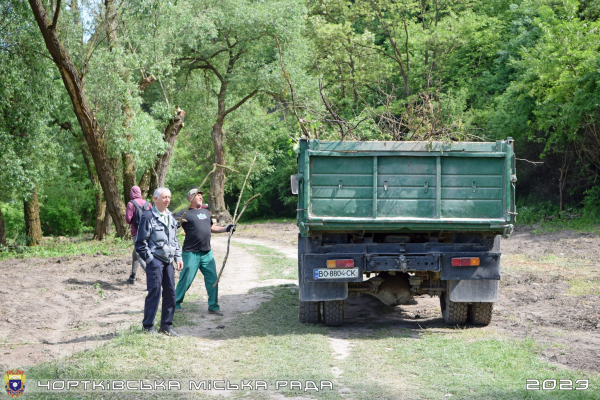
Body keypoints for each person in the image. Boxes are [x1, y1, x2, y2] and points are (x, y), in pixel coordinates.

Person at [173, 188, 234, 316]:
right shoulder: (184, 213)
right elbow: (172, 227)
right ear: (191, 198)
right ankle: (175, 303)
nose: (200, 197)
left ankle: (213, 306)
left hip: (207, 253)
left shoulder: (206, 212)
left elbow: (211, 227)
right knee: (186, 279)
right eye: (198, 195)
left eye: (201, 195)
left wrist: (226, 229)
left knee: (213, 279)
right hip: (191, 253)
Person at [135, 187, 183, 336]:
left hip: (168, 262)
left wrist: (178, 257)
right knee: (154, 293)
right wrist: (151, 261)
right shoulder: (148, 216)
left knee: (170, 293)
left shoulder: (170, 217)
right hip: (155, 261)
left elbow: (174, 240)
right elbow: (140, 243)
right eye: (164, 197)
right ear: (155, 199)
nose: (167, 200)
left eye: (169, 197)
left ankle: (166, 326)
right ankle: (148, 327)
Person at [125, 186, 152, 284]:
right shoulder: (148, 204)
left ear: (132, 193)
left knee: (140, 255)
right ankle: (132, 277)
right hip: (149, 232)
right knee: (135, 254)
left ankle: (152, 277)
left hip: (137, 233)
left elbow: (128, 219)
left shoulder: (131, 204)